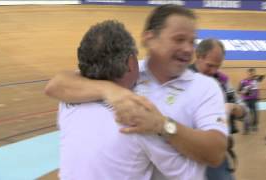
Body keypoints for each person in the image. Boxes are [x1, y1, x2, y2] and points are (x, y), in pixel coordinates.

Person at [46, 4, 228, 180]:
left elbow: (216, 153)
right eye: (179, 39)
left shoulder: (206, 87)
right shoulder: (120, 73)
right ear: (149, 38)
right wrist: (109, 90)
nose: (189, 49)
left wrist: (163, 126)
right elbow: (57, 84)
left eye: (192, 41)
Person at [189, 39, 250, 180]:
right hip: (188, 155)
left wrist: (232, 108)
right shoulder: (181, 79)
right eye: (209, 65)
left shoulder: (222, 81)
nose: (214, 71)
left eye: (218, 66)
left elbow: (245, 112)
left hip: (217, 155)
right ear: (198, 55)